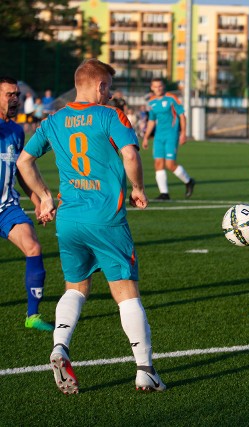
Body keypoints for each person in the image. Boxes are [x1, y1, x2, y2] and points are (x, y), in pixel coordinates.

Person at [17, 59, 165, 393]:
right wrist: (139, 189)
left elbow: (25, 161)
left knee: (75, 287)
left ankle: (60, 346)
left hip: (69, 219)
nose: (110, 93)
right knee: (125, 291)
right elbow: (130, 154)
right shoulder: (110, 115)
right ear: (99, 85)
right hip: (105, 219)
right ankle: (145, 370)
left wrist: (43, 197)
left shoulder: (53, 120)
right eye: (108, 87)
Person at [0, 76, 53, 332]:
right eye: (9, 94)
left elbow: (22, 171)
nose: (15, 99)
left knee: (33, 247)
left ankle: (32, 316)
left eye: (17, 95)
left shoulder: (16, 130)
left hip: (6, 207)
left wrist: (38, 201)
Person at [142, 78, 195, 200]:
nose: (158, 88)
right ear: (152, 88)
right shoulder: (151, 102)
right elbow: (151, 120)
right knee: (158, 164)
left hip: (172, 134)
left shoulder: (171, 98)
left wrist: (183, 133)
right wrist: (145, 137)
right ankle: (164, 193)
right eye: (155, 86)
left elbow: (182, 116)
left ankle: (188, 181)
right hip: (159, 136)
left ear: (163, 86)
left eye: (160, 86)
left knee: (170, 164)